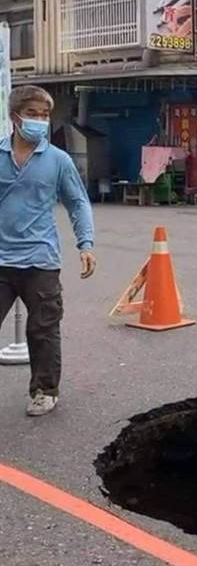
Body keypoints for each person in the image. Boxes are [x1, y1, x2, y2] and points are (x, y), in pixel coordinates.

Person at [0, 85, 95, 416]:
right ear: (15, 118)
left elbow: (77, 202)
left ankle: (44, 390)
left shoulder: (58, 160)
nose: (40, 122)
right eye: (32, 115)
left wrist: (86, 243)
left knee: (43, 329)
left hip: (41, 260)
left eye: (44, 115)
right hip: (0, 259)